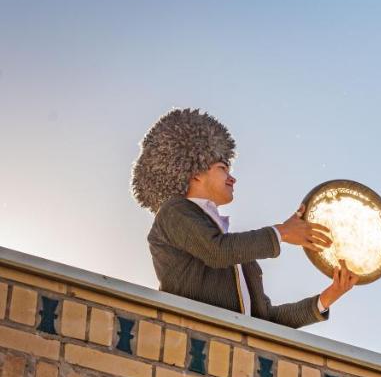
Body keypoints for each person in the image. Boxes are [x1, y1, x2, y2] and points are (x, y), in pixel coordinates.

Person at [130, 108, 356, 328]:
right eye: (223, 168)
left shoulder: (240, 256)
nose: (232, 178)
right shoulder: (173, 212)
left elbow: (265, 320)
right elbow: (216, 251)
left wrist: (329, 296)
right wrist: (282, 232)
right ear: (195, 172)